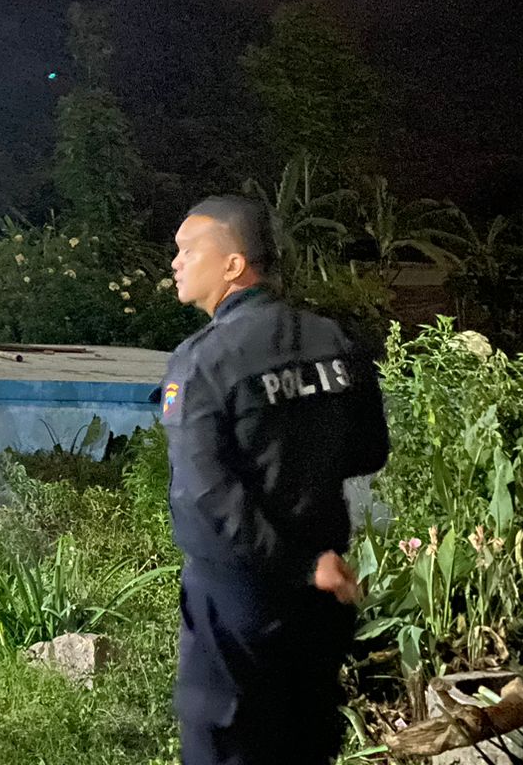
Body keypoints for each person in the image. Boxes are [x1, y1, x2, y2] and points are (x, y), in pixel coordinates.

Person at [162, 195, 389, 765]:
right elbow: (369, 450)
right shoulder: (336, 340)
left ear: (234, 265)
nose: (176, 263)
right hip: (325, 584)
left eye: (188, 251)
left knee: (228, 744)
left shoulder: (204, 361)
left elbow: (204, 496)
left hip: (240, 594)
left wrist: (291, 562)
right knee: (306, 737)